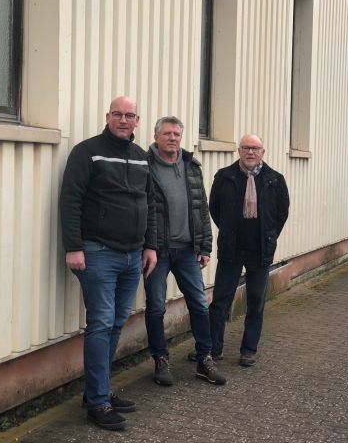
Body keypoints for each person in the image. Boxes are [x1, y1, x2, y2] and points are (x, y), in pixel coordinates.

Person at [59, 96, 157, 431]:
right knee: (101, 323)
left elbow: (150, 204)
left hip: (133, 254)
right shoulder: (87, 152)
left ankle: (97, 392)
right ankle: (98, 403)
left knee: (116, 323)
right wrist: (74, 247)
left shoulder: (142, 157)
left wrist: (151, 246)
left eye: (130, 115)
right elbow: (70, 200)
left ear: (137, 120)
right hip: (98, 251)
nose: (123, 120)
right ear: (108, 116)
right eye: (118, 114)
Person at [144, 116, 226, 386]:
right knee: (156, 308)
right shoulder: (145, 165)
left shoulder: (191, 166)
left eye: (176, 134)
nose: (172, 138)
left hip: (188, 251)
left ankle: (204, 358)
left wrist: (205, 246)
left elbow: (201, 208)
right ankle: (160, 359)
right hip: (157, 251)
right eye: (167, 133)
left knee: (199, 305)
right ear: (156, 137)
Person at [208, 134, 289, 367]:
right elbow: (215, 209)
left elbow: (281, 213)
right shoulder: (224, 176)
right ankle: (213, 348)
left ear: (262, 152)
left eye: (255, 148)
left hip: (259, 251)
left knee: (256, 302)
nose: (250, 152)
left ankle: (248, 350)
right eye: (246, 148)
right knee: (220, 301)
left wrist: (269, 236)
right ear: (239, 151)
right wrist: (229, 231)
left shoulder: (275, 179)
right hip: (231, 249)